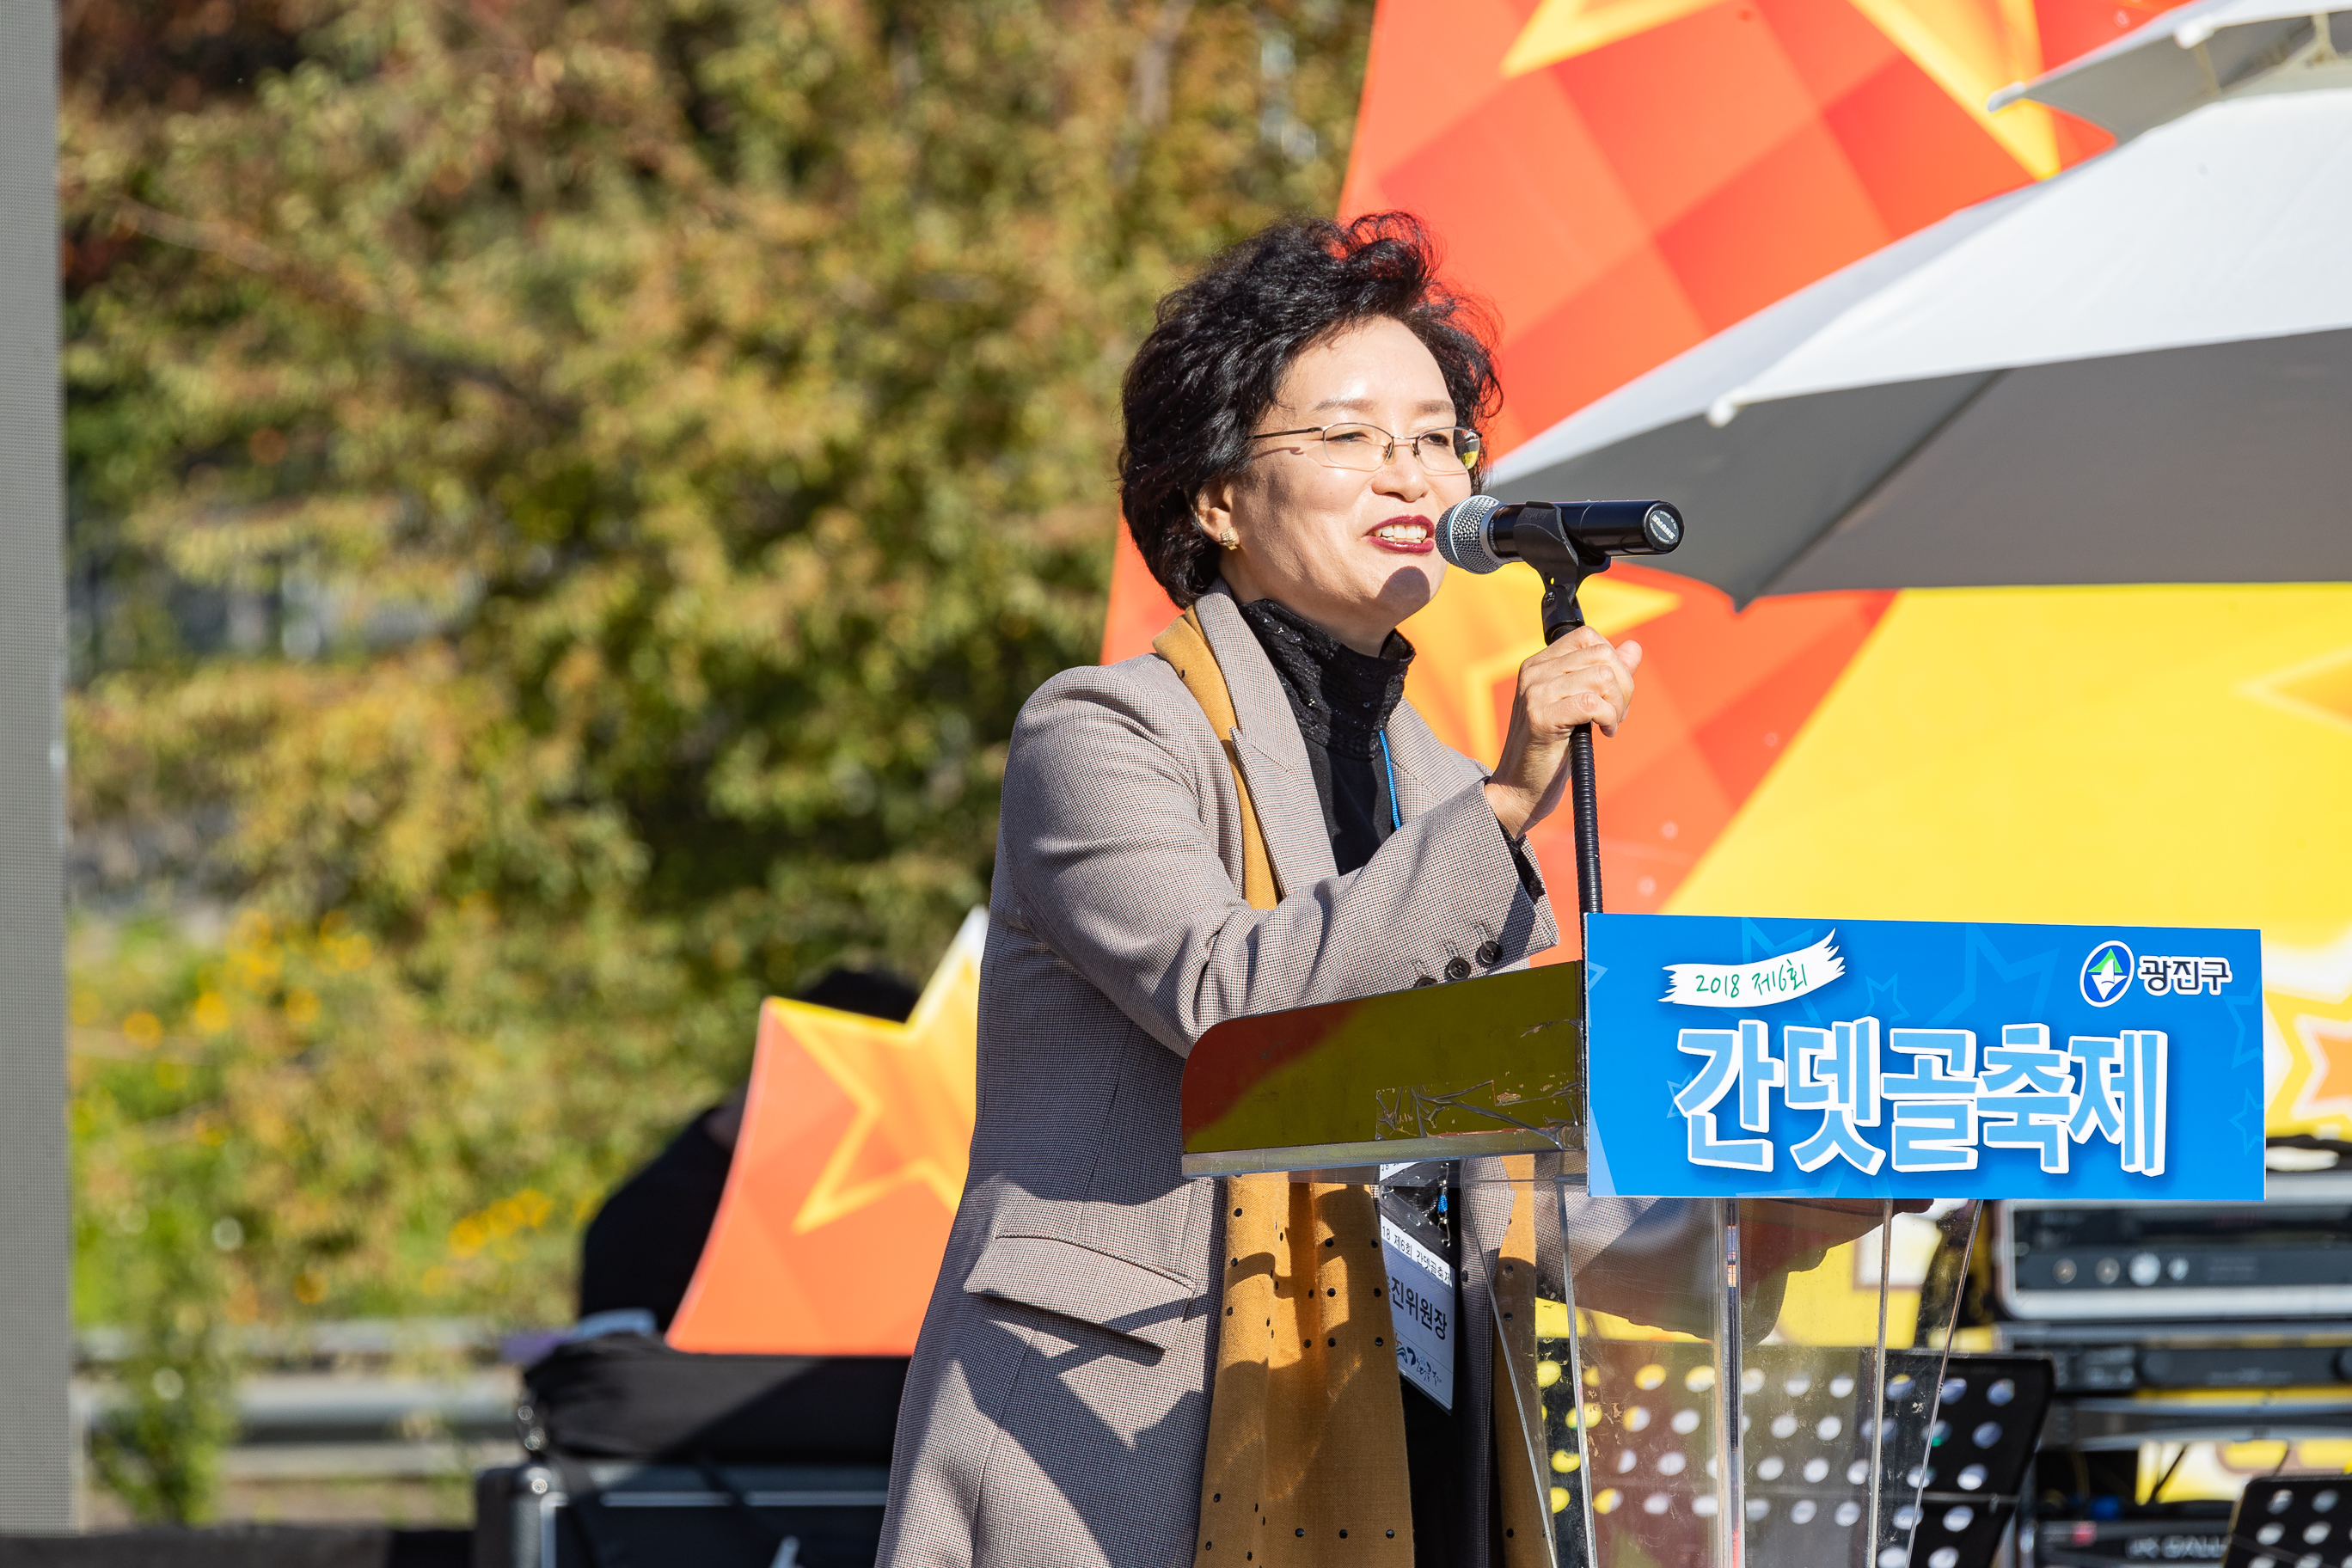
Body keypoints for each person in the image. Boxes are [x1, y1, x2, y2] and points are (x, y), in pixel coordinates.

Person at [875, 213, 1642, 1568]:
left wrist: (1788, 1183)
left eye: (1432, 436)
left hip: (1401, 1416)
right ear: (1215, 498)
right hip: (1118, 1426)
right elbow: (1239, 1009)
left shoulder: (1440, 783)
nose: (1407, 470)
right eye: (1348, 437)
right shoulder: (1101, 736)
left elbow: (1498, 1134)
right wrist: (1511, 807)